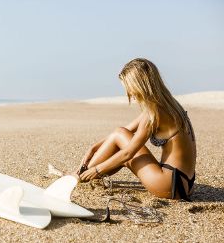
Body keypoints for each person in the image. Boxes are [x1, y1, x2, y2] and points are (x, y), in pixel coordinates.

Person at [75, 58, 196, 200]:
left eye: (129, 88)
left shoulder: (154, 113)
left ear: (139, 85)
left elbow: (127, 152)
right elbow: (125, 131)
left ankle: (78, 175)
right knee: (120, 137)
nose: (130, 94)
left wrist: (97, 170)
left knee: (121, 145)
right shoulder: (169, 105)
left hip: (170, 184)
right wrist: (94, 147)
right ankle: (82, 173)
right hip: (185, 183)